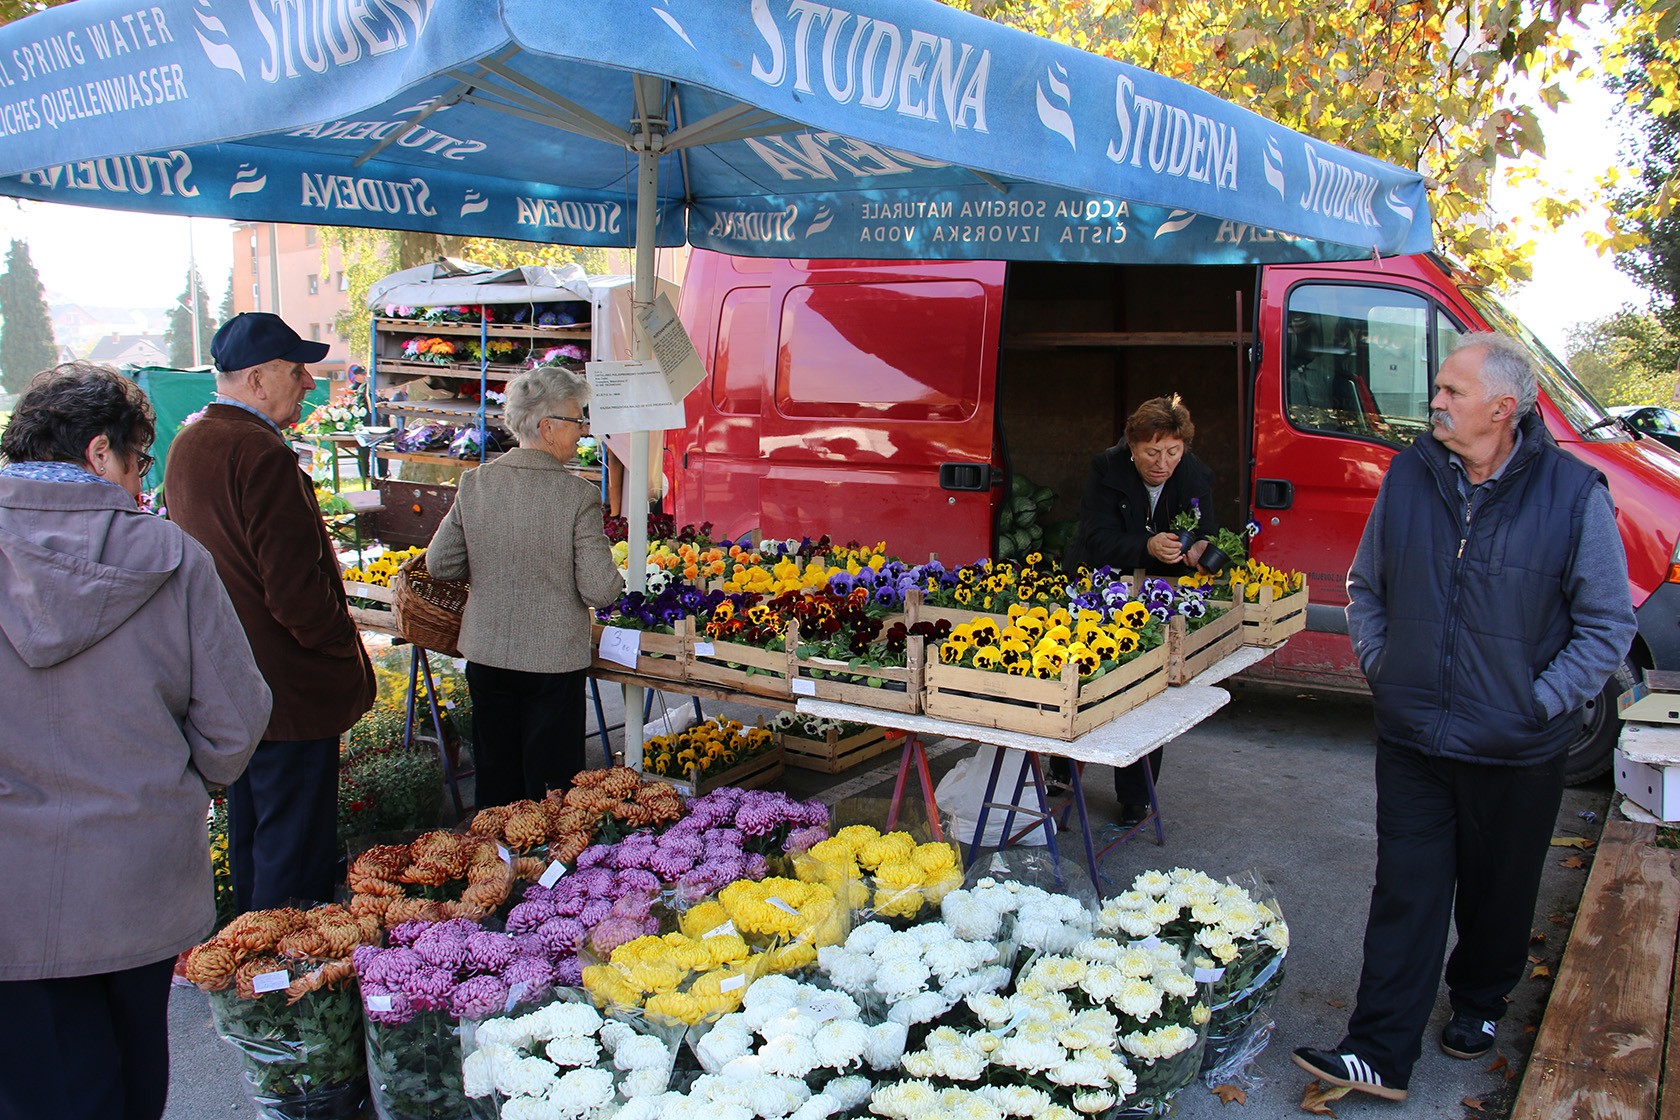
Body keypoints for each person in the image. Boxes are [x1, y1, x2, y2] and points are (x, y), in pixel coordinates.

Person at [1294, 333, 1637, 1102]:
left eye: (1452, 390)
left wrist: (1538, 703)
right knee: (1406, 893)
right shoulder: (1410, 475)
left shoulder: (1574, 494)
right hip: (1414, 736)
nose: (1436, 401)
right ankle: (1377, 1050)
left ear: (1502, 409)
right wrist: (1385, 668)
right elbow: (1367, 585)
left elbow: (1606, 625)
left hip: (1516, 749)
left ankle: (1480, 998)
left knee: (1498, 892)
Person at [0, 364, 271, 1120]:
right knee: (133, 1074)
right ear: (99, 452)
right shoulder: (172, 556)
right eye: (139, 461)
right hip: (139, 869)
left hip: (12, 891)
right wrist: (177, 782)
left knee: (40, 1086)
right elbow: (235, 720)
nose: (140, 480)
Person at [164, 312, 376, 913]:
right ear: (257, 379)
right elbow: (296, 595)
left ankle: (252, 953)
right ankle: (288, 963)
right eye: (296, 370)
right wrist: (341, 646)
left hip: (232, 679)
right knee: (293, 854)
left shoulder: (190, 442)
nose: (309, 382)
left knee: (255, 835)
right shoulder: (260, 452)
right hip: (288, 688)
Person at [426, 365, 623, 807]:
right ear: (548, 427)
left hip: (487, 654)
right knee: (551, 793)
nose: (583, 431)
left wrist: (494, 571)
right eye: (577, 420)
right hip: (551, 665)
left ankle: (495, 850)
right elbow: (600, 590)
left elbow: (441, 563)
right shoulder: (576, 495)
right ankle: (545, 853)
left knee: (497, 780)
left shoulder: (476, 482)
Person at [1068, 394, 1218, 823]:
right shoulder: (1106, 468)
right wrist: (1146, 545)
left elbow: (1207, 530)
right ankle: (1063, 770)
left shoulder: (1194, 474)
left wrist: (1199, 550)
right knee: (1082, 679)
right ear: (1132, 446)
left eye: (1172, 451)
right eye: (1152, 452)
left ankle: (1135, 796)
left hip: (1156, 594)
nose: (1162, 463)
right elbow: (1096, 537)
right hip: (1098, 586)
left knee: (1147, 690)